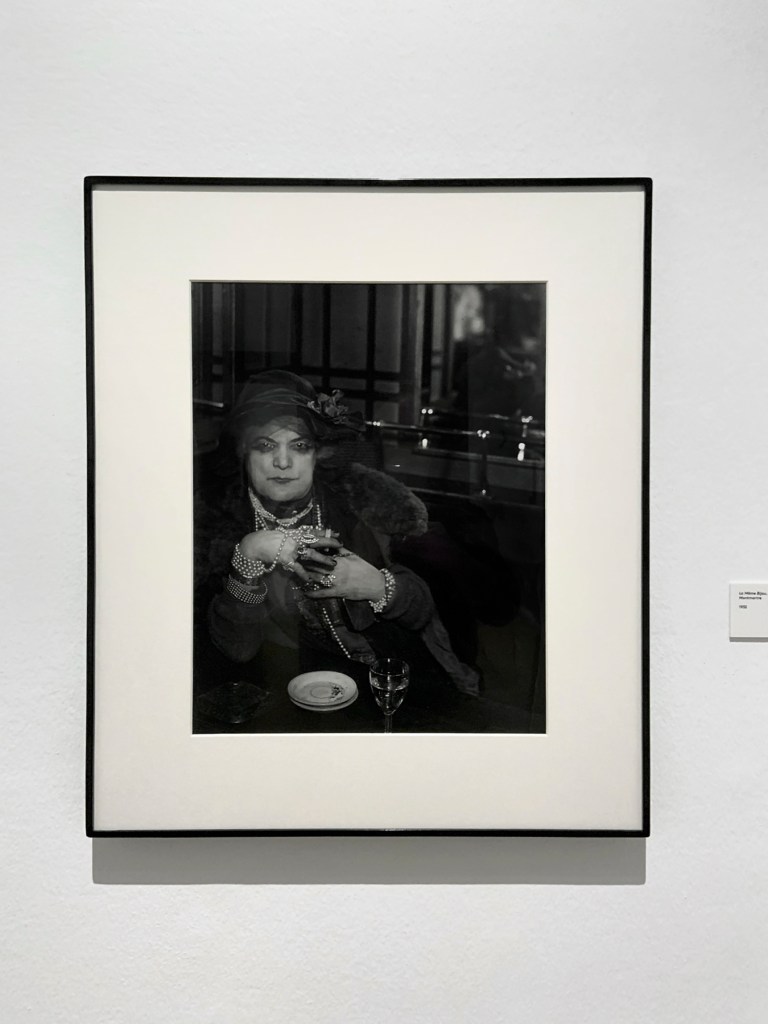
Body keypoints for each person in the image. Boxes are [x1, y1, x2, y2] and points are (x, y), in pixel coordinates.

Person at [195, 370, 479, 696]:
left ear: (318, 453)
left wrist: (379, 587)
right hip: (292, 684)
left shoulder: (358, 503)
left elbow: (425, 609)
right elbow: (237, 651)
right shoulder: (215, 522)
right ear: (244, 452)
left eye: (299, 446)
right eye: (265, 445)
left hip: (391, 671)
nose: (283, 462)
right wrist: (247, 557)